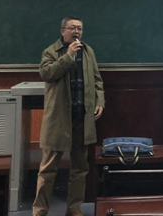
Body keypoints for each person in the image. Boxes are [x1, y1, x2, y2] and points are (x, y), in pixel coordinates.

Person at [33, 16, 105, 216]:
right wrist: (68, 56)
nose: (77, 32)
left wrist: (100, 101)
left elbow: (98, 80)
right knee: (48, 169)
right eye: (72, 28)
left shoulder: (88, 51)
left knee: (80, 168)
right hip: (59, 120)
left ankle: (74, 209)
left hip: (82, 118)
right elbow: (46, 74)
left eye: (80, 28)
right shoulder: (51, 51)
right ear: (62, 31)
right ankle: (39, 211)